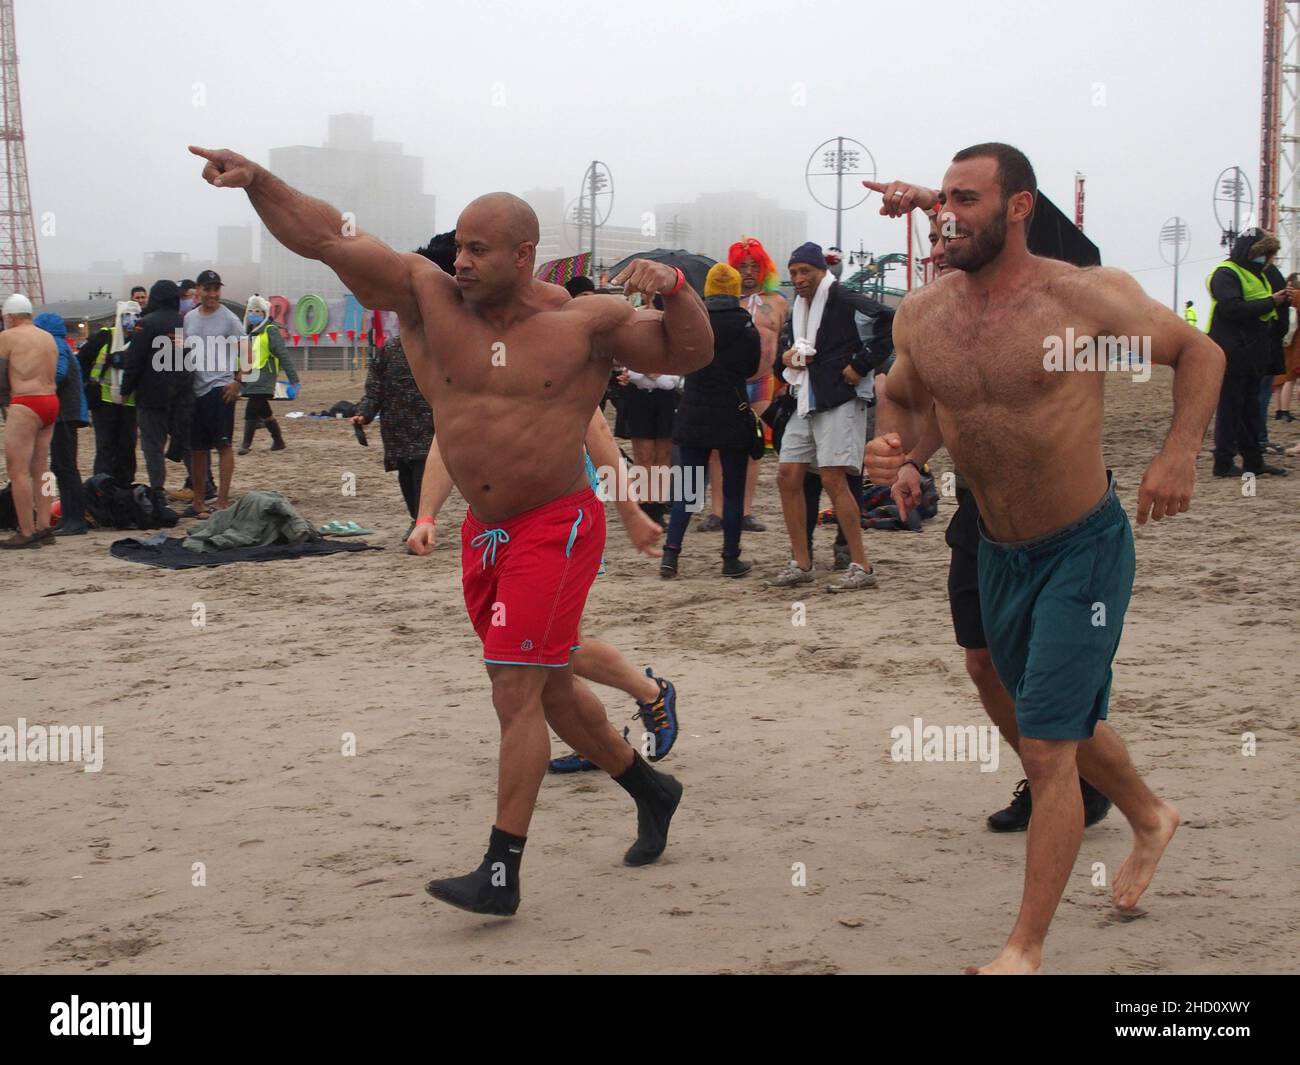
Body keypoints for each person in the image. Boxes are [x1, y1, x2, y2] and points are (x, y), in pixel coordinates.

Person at [192, 143, 712, 917]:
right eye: (458, 245)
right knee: (555, 690)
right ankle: (650, 785)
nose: (460, 260)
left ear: (523, 254)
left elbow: (691, 352)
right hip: (488, 531)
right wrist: (260, 183)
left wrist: (675, 289)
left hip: (558, 524)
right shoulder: (426, 297)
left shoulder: (585, 320)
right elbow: (330, 237)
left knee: (514, 685)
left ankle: (501, 871)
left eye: (478, 248)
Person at [865, 143, 1224, 974]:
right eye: (942, 198)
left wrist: (1178, 454)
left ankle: (1023, 950)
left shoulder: (1082, 296)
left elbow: (1200, 354)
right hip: (997, 548)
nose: (947, 214)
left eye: (967, 197)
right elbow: (906, 393)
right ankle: (1148, 810)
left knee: (1046, 747)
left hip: (1082, 548)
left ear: (1019, 207)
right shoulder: (921, 312)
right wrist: (904, 454)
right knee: (1038, 712)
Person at [868, 208, 1112, 834]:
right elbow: (945, 407)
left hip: (1065, 522)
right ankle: (1052, 777)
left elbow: (1077, 248)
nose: (940, 247)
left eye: (953, 229)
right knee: (985, 663)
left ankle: (1072, 778)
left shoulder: (1051, 300)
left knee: (1044, 675)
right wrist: (910, 461)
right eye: (934, 236)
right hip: (981, 515)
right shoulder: (935, 316)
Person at [408, 406, 681, 773]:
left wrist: (630, 512)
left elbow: (595, 426)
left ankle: (646, 699)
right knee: (556, 648)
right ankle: (602, 733)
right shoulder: (467, 365)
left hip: (560, 518)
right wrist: (426, 515)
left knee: (556, 647)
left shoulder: (551, 355)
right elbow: (447, 436)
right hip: (500, 527)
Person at [771, 242, 892, 592]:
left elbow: (889, 321)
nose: (798, 278)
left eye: (804, 271)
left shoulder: (844, 298)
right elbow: (783, 351)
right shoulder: (798, 309)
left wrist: (860, 365)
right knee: (787, 474)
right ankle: (802, 562)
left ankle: (862, 566)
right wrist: (788, 357)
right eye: (793, 272)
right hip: (805, 398)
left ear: (821, 271)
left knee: (832, 478)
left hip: (839, 399)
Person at [661, 262, 761, 579]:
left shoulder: (694, 323)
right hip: (732, 414)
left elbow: (679, 359)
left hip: (694, 411)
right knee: (732, 490)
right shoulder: (747, 327)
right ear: (735, 292)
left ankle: (670, 556)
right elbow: (751, 367)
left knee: (688, 490)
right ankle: (730, 558)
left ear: (708, 291)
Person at [698, 236, 789, 533]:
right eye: (742, 266)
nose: (749, 271)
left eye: (754, 265)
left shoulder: (778, 303)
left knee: (754, 447)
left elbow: (789, 342)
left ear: (764, 268)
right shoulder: (723, 304)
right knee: (716, 448)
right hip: (728, 383)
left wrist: (786, 380)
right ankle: (718, 511)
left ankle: (746, 512)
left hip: (763, 382)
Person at [1207, 230, 1291, 478]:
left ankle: (1254, 460)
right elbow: (1232, 308)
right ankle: (1223, 462)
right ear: (1251, 251)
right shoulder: (1226, 273)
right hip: (1231, 350)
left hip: (1254, 351)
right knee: (1231, 408)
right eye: (1262, 253)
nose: (1266, 258)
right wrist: (1272, 302)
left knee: (1251, 408)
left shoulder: (1259, 275)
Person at [120, 279, 186, 521]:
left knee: (153, 447)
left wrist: (126, 389)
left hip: (151, 394)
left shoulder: (145, 324)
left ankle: (158, 494)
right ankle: (201, 488)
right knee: (185, 443)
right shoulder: (183, 322)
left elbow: (134, 360)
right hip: (180, 393)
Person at [0, 294, 59, 547]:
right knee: (42, 470)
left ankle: (26, 531)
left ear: (10, 317)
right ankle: (45, 526)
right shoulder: (47, 337)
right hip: (50, 402)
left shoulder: (8, 337)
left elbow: (0, 375)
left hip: (26, 403)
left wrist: (5, 403)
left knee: (18, 470)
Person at [183, 269, 244, 515]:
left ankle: (222, 500)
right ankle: (198, 501)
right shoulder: (188, 318)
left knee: (223, 445)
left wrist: (238, 381)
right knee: (197, 449)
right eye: (207, 289)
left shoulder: (229, 319)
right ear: (197, 290)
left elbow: (248, 350)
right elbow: (183, 352)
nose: (212, 294)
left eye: (216, 289)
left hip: (220, 387)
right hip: (195, 390)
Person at [35, 312, 90, 536]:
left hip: (65, 414)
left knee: (66, 466)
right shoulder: (59, 343)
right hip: (66, 413)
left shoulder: (54, 345)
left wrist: (39, 388)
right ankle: (69, 517)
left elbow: (59, 373)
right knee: (62, 466)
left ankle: (75, 519)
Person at [80, 300, 139, 486]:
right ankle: (101, 487)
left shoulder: (141, 338)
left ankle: (124, 487)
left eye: (135, 316)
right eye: (126, 315)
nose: (131, 320)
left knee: (127, 447)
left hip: (130, 402)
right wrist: (88, 385)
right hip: (104, 402)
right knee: (105, 447)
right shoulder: (105, 336)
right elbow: (83, 359)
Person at [239, 295, 299, 455]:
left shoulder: (270, 330)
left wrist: (293, 379)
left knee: (251, 408)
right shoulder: (248, 333)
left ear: (264, 313)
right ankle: (278, 441)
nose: (253, 314)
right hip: (250, 377)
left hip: (265, 376)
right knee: (264, 411)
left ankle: (246, 444)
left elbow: (282, 354)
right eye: (251, 311)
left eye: (257, 311)